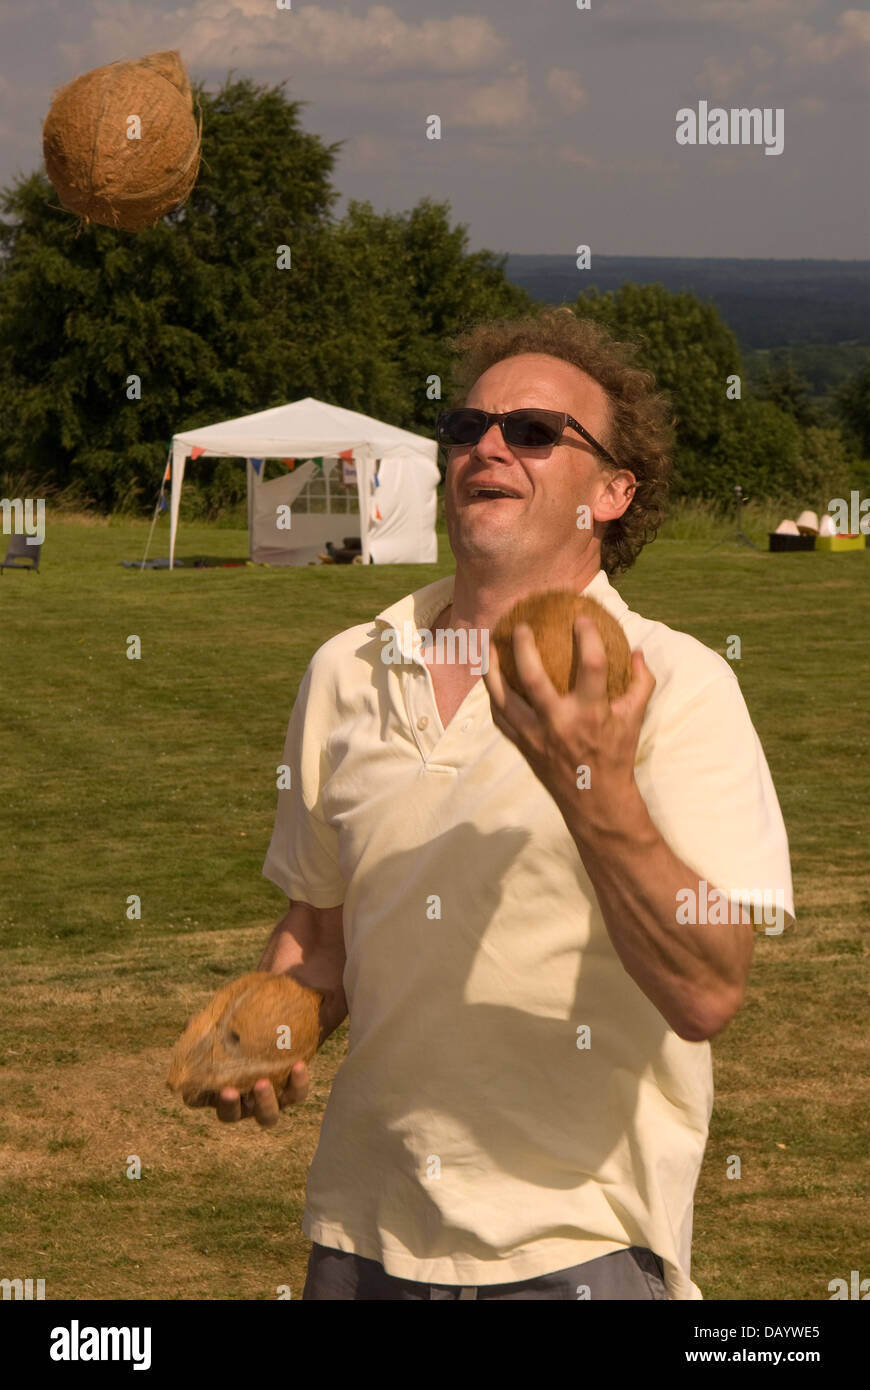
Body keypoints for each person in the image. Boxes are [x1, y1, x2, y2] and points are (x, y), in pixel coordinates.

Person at [204, 310, 794, 1300]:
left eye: (532, 431)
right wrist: (267, 1025)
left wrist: (590, 781)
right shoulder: (350, 666)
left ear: (612, 492)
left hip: (576, 1248)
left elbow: (706, 990)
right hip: (359, 1236)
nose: (486, 446)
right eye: (465, 427)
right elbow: (322, 927)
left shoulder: (678, 685)